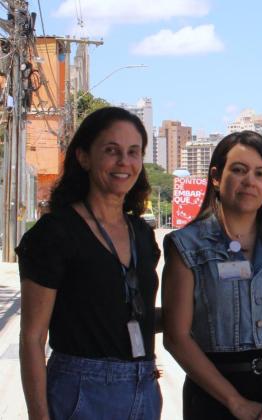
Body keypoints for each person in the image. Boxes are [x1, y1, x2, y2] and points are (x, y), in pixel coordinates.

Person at [17, 106, 162, 419]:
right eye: (112, 150)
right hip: (81, 393)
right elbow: (32, 338)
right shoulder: (56, 233)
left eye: (133, 152)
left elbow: (127, 314)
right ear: (83, 157)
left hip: (144, 389)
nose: (124, 162)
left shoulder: (141, 234)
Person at [162, 130, 262, 420]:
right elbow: (176, 336)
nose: (250, 181)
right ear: (217, 177)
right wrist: (235, 402)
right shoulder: (186, 246)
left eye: (261, 174)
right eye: (239, 170)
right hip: (215, 398)